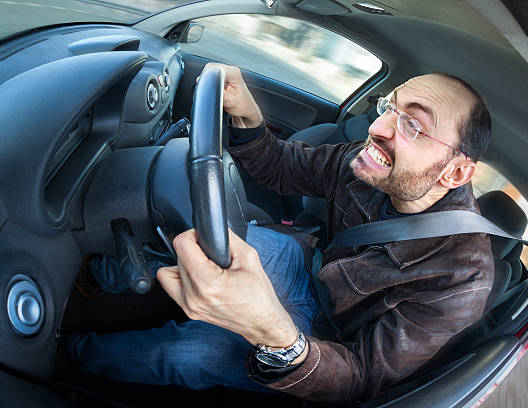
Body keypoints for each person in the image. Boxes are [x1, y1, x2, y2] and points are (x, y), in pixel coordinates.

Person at [67, 64, 494, 405]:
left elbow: (361, 379)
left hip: (321, 345)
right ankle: (90, 280)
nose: (379, 128)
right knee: (200, 228)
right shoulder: (372, 161)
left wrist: (271, 332)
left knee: (185, 354)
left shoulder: (461, 280)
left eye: (413, 126)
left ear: (456, 172)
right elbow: (284, 167)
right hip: (305, 267)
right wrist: (248, 115)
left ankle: (66, 356)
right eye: (390, 107)